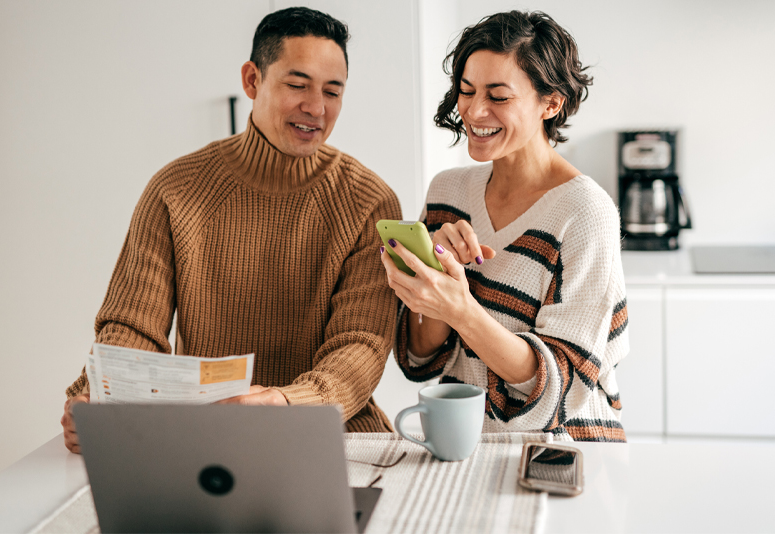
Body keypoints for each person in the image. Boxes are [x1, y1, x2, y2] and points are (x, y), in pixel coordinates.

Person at [61, 7, 401, 453]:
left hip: (335, 439)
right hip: (207, 439)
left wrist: (285, 402)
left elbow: (361, 346)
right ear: (252, 80)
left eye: (332, 92)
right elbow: (133, 327)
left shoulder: (369, 202)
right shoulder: (175, 189)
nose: (316, 108)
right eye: (297, 85)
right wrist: (98, 394)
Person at [381, 10, 629, 442]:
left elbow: (558, 391)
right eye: (466, 90)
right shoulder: (448, 191)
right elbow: (418, 359)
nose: (474, 111)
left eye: (498, 96)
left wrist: (462, 309)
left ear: (550, 103)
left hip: (562, 454)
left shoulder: (586, 212)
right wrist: (437, 277)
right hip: (465, 445)